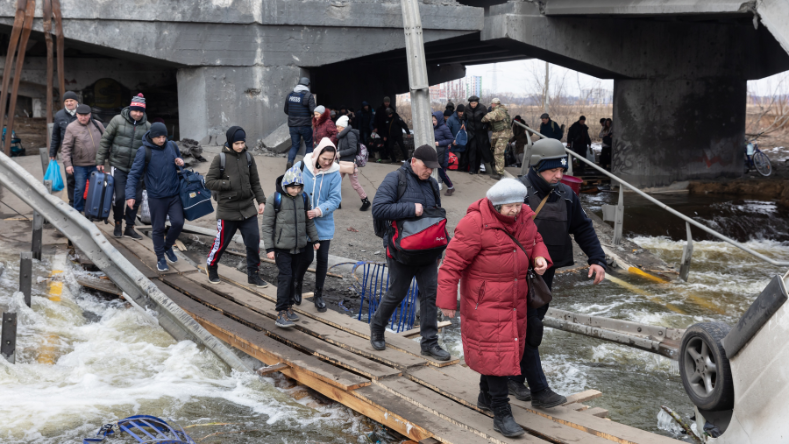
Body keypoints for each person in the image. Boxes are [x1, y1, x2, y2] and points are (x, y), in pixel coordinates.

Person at [437, 179, 551, 438]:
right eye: (509, 206)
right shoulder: (474, 224)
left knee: (502, 351)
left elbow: (536, 239)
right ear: (495, 205)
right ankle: (501, 412)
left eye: (518, 205)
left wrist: (540, 256)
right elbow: (451, 264)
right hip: (484, 302)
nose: (515, 210)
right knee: (498, 353)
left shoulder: (525, 218)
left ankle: (486, 396)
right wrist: (446, 302)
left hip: (515, 300)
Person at [508, 138, 607, 408]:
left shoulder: (566, 194)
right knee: (530, 327)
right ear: (537, 167)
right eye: (553, 171)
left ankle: (513, 377)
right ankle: (539, 390)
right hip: (515, 275)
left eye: (561, 170)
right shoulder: (515, 192)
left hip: (545, 275)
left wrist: (597, 259)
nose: (559, 175)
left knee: (529, 325)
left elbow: (583, 228)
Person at [369, 145, 451, 361]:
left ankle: (429, 343)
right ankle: (377, 327)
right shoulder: (395, 178)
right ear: (414, 161)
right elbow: (378, 208)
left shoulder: (433, 184)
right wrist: (410, 208)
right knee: (397, 293)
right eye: (426, 167)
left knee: (430, 295)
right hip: (400, 251)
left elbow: (435, 219)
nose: (429, 172)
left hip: (428, 251)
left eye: (433, 168)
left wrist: (441, 246)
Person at [204, 126, 268, 287]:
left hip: (248, 209)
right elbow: (209, 181)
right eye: (237, 143)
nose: (240, 146)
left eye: (242, 143)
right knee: (221, 243)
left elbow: (255, 182)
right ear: (230, 142)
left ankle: (253, 274)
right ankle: (211, 267)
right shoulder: (220, 159)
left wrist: (261, 201)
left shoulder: (248, 157)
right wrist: (228, 183)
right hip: (228, 210)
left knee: (253, 242)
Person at [261, 165, 321, 328]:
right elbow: (266, 226)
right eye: (292, 188)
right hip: (282, 248)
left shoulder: (304, 198)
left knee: (294, 277)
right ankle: (281, 312)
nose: (295, 191)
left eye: (298, 187)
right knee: (285, 278)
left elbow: (308, 221)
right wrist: (269, 248)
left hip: (299, 247)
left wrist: (315, 240)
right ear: (285, 185)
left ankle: (289, 307)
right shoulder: (275, 199)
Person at [125, 122, 185, 272]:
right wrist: (130, 195)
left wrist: (181, 163)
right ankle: (160, 258)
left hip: (174, 194)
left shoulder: (172, 146)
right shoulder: (144, 151)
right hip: (156, 196)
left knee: (178, 222)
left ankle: (167, 247)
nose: (162, 140)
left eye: (164, 136)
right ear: (152, 136)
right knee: (158, 228)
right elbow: (133, 175)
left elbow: (179, 163)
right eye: (158, 137)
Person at [293, 138, 342, 313]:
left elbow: (335, 199)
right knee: (306, 258)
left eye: (331, 159)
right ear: (317, 154)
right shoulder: (301, 166)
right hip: (304, 222)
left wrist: (319, 210)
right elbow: (286, 185)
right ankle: (296, 285)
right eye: (324, 159)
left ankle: (318, 295)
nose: (328, 162)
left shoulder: (335, 173)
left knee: (322, 259)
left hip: (324, 222)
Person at [95, 93, 152, 239]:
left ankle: (130, 227)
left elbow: (151, 148)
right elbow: (105, 141)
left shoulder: (147, 126)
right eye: (136, 110)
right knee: (119, 197)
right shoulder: (117, 120)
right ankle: (118, 224)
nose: (138, 114)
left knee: (136, 198)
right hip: (118, 165)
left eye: (141, 111)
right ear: (130, 109)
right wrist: (100, 161)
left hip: (137, 169)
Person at [61, 104, 105, 213]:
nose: (83, 117)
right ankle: (78, 211)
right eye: (80, 115)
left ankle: (93, 211)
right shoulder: (71, 127)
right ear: (76, 115)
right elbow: (66, 147)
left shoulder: (98, 124)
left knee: (96, 189)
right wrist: (68, 164)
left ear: (90, 115)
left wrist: (104, 159)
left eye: (86, 115)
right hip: (80, 165)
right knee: (79, 189)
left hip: (96, 164)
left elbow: (106, 142)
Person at [49, 91, 80, 207]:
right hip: (67, 153)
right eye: (66, 101)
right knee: (71, 178)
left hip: (83, 153)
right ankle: (72, 202)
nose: (69, 103)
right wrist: (53, 152)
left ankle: (84, 201)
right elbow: (55, 136)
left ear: (76, 101)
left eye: (71, 100)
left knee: (83, 178)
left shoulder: (83, 113)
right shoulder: (59, 115)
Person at [335, 116, 371, 211]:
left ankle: (365, 200)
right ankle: (337, 202)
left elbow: (353, 149)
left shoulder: (350, 135)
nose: (337, 128)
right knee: (336, 183)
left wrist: (340, 153)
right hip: (342, 162)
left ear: (343, 126)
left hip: (350, 163)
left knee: (355, 184)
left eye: (338, 126)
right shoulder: (342, 135)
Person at [284, 77, 316, 170]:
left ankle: (290, 161)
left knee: (295, 145)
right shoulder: (308, 95)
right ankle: (305, 166)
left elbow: (286, 110)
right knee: (309, 145)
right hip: (305, 125)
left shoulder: (290, 95)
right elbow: (312, 110)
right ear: (307, 85)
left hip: (293, 125)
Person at [481, 98, 512, 180]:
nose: (491, 106)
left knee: (498, 153)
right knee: (494, 151)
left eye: (492, 104)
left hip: (502, 134)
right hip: (500, 133)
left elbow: (486, 117)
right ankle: (497, 170)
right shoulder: (502, 110)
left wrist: (481, 119)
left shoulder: (498, 111)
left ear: (493, 104)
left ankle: (500, 173)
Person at [464, 96, 492, 175]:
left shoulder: (482, 108)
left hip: (481, 133)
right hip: (471, 132)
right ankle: (472, 169)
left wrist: (485, 126)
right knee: (472, 150)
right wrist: (463, 124)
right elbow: (463, 118)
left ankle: (478, 168)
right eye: (471, 103)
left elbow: (487, 119)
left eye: (474, 103)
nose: (473, 105)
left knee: (480, 150)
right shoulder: (467, 108)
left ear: (477, 102)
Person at [432, 111, 455, 196]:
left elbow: (451, 139)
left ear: (439, 119)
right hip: (437, 153)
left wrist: (439, 143)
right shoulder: (434, 128)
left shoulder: (444, 128)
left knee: (442, 173)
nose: (433, 121)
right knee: (439, 171)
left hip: (443, 153)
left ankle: (450, 187)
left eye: (435, 120)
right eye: (433, 120)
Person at [447, 104, 466, 169]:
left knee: (464, 161)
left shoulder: (466, 119)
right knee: (457, 158)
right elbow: (447, 132)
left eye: (463, 112)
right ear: (457, 111)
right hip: (455, 145)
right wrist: (452, 140)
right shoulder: (451, 119)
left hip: (464, 145)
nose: (462, 113)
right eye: (460, 112)